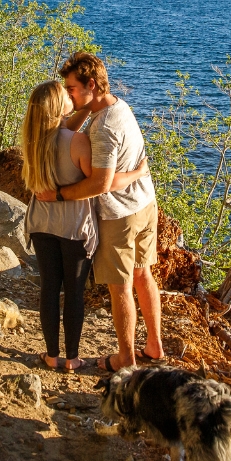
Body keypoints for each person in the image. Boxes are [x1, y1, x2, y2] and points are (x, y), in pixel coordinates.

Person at [35, 52, 162, 373]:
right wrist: (80, 107)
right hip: (146, 204)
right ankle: (154, 346)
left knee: (119, 286)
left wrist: (59, 195)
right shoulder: (118, 106)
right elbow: (68, 126)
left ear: (91, 84)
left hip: (120, 216)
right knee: (142, 274)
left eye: (73, 89)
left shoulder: (102, 128)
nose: (69, 94)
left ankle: (126, 359)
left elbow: (101, 184)